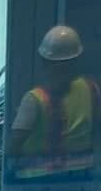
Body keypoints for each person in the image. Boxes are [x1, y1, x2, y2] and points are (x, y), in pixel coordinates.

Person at [9, 25, 101, 181]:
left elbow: (13, 148)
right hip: (82, 181)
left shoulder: (33, 100)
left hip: (38, 185)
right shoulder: (91, 89)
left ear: (44, 62)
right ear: (77, 60)